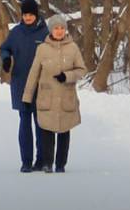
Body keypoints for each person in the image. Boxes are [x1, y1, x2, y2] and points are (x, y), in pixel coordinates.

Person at [22, 14, 86, 173]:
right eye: (56, 28)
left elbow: (82, 70)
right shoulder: (42, 49)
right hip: (46, 98)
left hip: (66, 97)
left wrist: (67, 76)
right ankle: (47, 163)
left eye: (62, 28)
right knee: (46, 131)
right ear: (51, 30)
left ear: (65, 30)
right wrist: (27, 97)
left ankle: (61, 164)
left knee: (64, 132)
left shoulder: (73, 48)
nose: (59, 31)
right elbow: (33, 74)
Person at [0, 0, 48, 172]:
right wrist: (6, 59)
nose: (27, 18)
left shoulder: (45, 33)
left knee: (41, 123)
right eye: (25, 15)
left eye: (30, 15)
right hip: (20, 82)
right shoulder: (16, 32)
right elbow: (5, 47)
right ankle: (26, 161)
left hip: (41, 85)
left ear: (36, 15)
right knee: (24, 122)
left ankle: (41, 160)